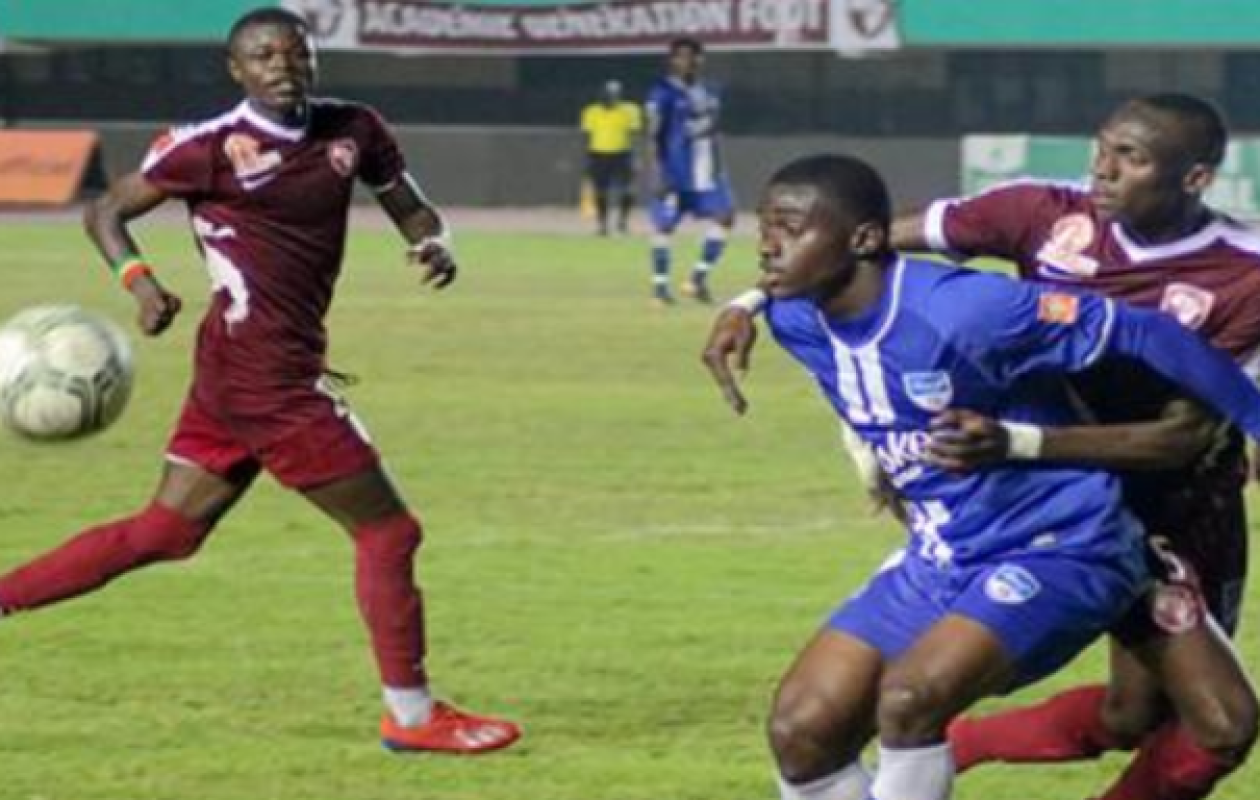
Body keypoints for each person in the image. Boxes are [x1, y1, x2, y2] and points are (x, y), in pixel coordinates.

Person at [704, 94, 1260, 800]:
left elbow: (1182, 436)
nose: (1103, 168)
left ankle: (952, 743)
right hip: (1013, 499)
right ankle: (951, 746)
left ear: (1195, 178)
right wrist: (750, 300)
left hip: (1162, 504)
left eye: (1132, 156)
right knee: (820, 721)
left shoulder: (1247, 272)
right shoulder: (1040, 213)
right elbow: (851, 237)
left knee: (1200, 723)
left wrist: (1017, 443)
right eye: (1101, 146)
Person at [0, 7, 520, 756]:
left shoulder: (354, 129)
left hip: (237, 368)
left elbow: (410, 206)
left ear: (312, 59)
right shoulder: (206, 148)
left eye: (294, 53)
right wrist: (141, 284)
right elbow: (107, 209)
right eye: (263, 56)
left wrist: (435, 244)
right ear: (236, 70)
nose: (281, 65)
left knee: (167, 532)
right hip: (266, 380)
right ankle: (411, 717)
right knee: (388, 530)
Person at [644, 37, 736, 306]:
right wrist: (657, 172)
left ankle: (697, 280)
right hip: (675, 171)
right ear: (672, 60)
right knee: (664, 226)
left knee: (725, 217)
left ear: (701, 60)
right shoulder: (661, 92)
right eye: (681, 56)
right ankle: (660, 289)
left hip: (707, 173)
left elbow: (713, 129)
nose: (688, 61)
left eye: (693, 56)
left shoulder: (711, 90)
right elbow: (652, 135)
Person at [579, 79, 642, 236]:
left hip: (622, 153)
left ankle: (622, 222)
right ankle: (602, 225)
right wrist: (586, 158)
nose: (609, 100)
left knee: (628, 189)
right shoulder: (591, 111)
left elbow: (633, 134)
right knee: (600, 191)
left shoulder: (629, 110)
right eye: (607, 96)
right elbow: (587, 135)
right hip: (599, 154)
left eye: (613, 96)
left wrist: (636, 156)